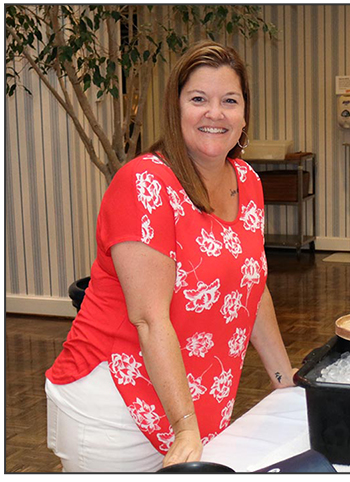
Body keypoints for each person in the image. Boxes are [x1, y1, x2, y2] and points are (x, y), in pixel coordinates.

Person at [45, 40, 296, 472]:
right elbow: (149, 317)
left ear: (244, 114)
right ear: (176, 108)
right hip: (117, 405)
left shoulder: (248, 181)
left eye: (229, 101)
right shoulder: (144, 184)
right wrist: (185, 426)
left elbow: (251, 289)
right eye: (198, 99)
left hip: (193, 404)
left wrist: (285, 386)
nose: (214, 113)